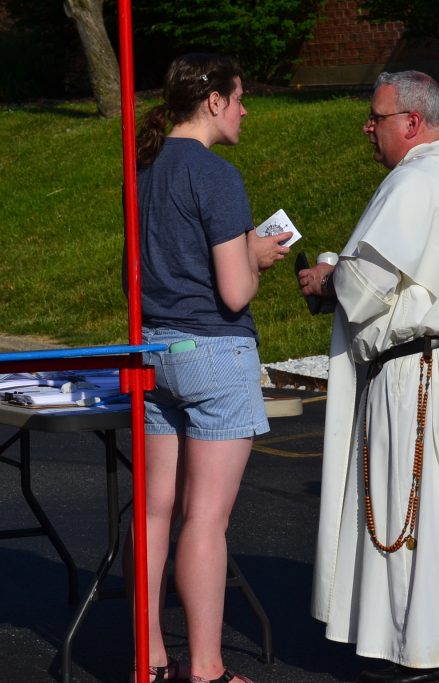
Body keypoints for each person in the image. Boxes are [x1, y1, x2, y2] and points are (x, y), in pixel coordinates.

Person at [301, 71, 439, 683]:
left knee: (409, 509)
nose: (368, 128)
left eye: (377, 117)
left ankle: (421, 650)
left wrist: (326, 279)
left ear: (413, 123)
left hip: (413, 372)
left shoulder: (415, 180)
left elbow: (365, 285)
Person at [131, 54, 290, 683]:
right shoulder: (217, 177)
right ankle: (207, 669)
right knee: (206, 519)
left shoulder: (140, 169)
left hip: (151, 352)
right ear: (215, 101)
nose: (246, 109)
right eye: (240, 96)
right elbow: (234, 293)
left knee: (154, 513)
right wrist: (255, 256)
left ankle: (149, 659)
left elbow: (130, 277)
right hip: (215, 354)